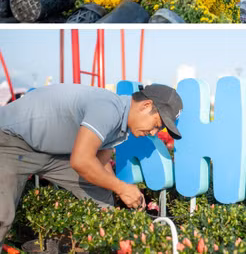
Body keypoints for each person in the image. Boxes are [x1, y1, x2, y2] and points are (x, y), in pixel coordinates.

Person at [0, 83, 183, 243]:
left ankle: (107, 243)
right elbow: (81, 161)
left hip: (51, 152)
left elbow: (99, 163)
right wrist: (122, 187)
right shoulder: (108, 108)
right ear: (146, 105)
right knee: (3, 215)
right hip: (13, 141)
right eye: (157, 124)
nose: (153, 133)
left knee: (99, 191)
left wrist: (121, 192)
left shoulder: (121, 124)